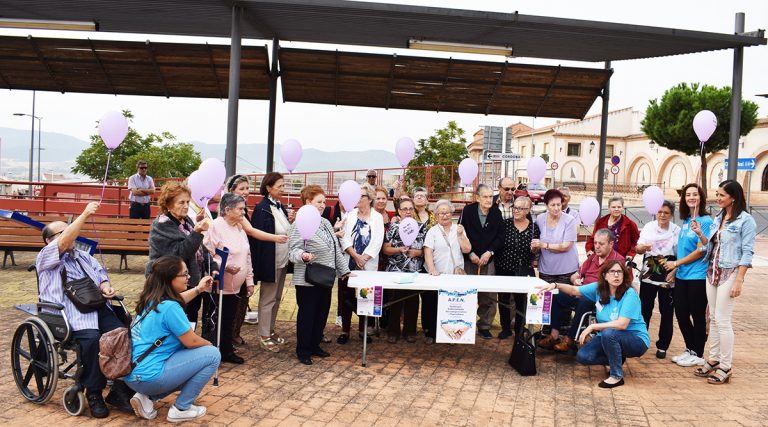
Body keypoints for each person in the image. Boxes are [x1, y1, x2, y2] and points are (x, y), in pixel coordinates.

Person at [36, 202, 133, 418]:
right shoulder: (45, 256)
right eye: (63, 232)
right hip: (68, 314)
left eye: (69, 229)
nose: (71, 234)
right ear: (49, 241)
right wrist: (86, 213)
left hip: (97, 306)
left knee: (122, 335)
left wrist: (105, 287)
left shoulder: (83, 256)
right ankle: (94, 393)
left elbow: (100, 274)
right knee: (92, 340)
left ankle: (119, 389)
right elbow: (64, 241)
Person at [125, 256, 220, 422]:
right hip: (151, 377)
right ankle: (181, 409)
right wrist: (209, 344)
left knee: (190, 363)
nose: (188, 277)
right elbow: (191, 342)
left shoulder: (152, 299)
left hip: (133, 375)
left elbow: (176, 301)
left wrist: (199, 289)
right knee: (212, 355)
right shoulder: (170, 307)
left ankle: (146, 398)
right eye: (184, 274)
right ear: (170, 279)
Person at [538, 261, 649, 388]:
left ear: (624, 275)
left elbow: (622, 324)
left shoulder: (630, 294)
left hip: (635, 339)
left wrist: (592, 326)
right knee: (583, 356)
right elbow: (574, 290)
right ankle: (617, 358)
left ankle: (616, 376)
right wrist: (555, 285)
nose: (616, 275)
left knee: (608, 333)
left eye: (619, 272)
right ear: (605, 275)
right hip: (608, 337)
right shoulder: (599, 289)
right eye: (612, 272)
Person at [695, 180, 756, 384]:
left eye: (722, 195)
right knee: (713, 317)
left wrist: (739, 280)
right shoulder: (719, 217)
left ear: (734, 197)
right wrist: (700, 234)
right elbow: (711, 245)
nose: (718, 198)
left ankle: (726, 365)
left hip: (729, 272)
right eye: (717, 194)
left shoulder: (746, 220)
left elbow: (747, 252)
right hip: (712, 270)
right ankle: (713, 359)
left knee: (723, 319)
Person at [288, 185, 351, 365]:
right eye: (319, 202)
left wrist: (345, 271)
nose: (323, 205)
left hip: (325, 278)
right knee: (307, 315)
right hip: (307, 278)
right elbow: (292, 251)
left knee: (321, 313)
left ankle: (315, 345)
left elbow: (335, 249)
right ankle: (303, 350)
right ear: (308, 202)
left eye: (324, 201)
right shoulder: (298, 224)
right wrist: (303, 256)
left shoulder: (325, 223)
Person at [147, 181, 217, 335]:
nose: (186, 206)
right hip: (169, 284)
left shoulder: (186, 221)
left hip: (190, 279)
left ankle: (188, 344)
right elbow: (178, 256)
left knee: (190, 319)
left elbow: (199, 248)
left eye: (187, 202)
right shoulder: (161, 225)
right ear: (168, 204)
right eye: (181, 202)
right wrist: (197, 232)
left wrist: (212, 265)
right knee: (175, 322)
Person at [548, 229, 628, 353]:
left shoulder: (617, 261)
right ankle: (554, 335)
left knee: (585, 301)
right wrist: (576, 280)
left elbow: (619, 286)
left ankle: (570, 339)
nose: (597, 246)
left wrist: (586, 290)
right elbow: (575, 275)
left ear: (611, 244)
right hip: (580, 292)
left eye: (601, 244)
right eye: (595, 243)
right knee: (556, 295)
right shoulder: (593, 258)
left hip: (600, 299)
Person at [663, 183, 712, 367]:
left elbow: (701, 250)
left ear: (701, 198)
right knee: (681, 314)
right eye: (688, 195)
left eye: (695, 194)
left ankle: (698, 353)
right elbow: (684, 251)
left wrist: (675, 264)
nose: (691, 197)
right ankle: (690, 348)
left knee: (697, 315)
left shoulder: (705, 221)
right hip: (682, 276)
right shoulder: (686, 222)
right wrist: (676, 270)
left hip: (697, 277)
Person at [204, 192, 254, 364]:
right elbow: (208, 254)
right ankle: (212, 353)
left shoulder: (239, 228)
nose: (243, 212)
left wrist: (249, 281)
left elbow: (247, 256)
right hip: (219, 284)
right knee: (215, 320)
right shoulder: (215, 226)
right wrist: (224, 267)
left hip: (236, 286)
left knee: (229, 319)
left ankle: (226, 351)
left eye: (244, 208)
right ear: (227, 210)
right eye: (240, 209)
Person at [248, 172, 294, 353]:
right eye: (279, 186)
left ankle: (271, 329)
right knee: (267, 298)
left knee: (277, 297)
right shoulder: (262, 209)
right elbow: (258, 238)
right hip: (270, 260)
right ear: (268, 187)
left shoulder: (279, 206)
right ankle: (263, 334)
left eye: (283, 185)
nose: (282, 189)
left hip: (282, 260)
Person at [533, 189, 580, 349]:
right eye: (552, 205)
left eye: (559, 204)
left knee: (564, 302)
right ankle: (549, 335)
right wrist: (535, 249)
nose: (556, 208)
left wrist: (544, 245)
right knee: (547, 302)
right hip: (546, 268)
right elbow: (536, 240)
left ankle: (564, 338)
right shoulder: (540, 219)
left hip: (566, 268)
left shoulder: (569, 220)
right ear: (546, 205)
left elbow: (566, 246)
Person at [338, 183, 384, 344]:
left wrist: (364, 258)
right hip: (348, 261)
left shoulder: (377, 217)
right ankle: (345, 330)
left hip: (368, 264)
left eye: (361, 196)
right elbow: (344, 237)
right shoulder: (349, 214)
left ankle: (362, 330)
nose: (357, 199)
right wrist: (355, 256)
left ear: (369, 199)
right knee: (346, 296)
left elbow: (377, 241)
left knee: (365, 297)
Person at [636, 200, 680, 359]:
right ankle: (640, 340)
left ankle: (663, 345)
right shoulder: (649, 227)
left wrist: (675, 270)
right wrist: (642, 248)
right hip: (649, 269)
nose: (662, 215)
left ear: (671, 214)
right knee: (644, 309)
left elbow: (681, 255)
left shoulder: (676, 230)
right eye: (660, 212)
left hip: (667, 270)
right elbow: (638, 248)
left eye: (666, 213)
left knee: (666, 310)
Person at [424, 199, 472, 343]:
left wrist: (461, 235)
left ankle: (452, 335)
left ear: (452, 214)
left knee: (452, 306)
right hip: (437, 275)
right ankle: (431, 333)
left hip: (455, 275)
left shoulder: (459, 229)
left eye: (447, 213)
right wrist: (432, 269)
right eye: (441, 213)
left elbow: (467, 249)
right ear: (436, 215)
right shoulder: (432, 231)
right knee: (433, 304)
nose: (444, 216)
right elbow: (428, 251)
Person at [459, 184, 503, 339]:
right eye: (485, 196)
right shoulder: (468, 211)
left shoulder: (496, 213)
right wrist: (470, 253)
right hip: (469, 259)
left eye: (491, 196)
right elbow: (460, 233)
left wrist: (490, 252)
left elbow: (500, 237)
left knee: (488, 295)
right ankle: (465, 324)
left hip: (488, 260)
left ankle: (484, 326)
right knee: (467, 292)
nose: (489, 199)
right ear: (477, 198)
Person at [494, 195, 539, 339]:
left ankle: (520, 328)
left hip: (523, 269)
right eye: (515, 207)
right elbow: (497, 242)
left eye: (520, 208)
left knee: (522, 301)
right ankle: (505, 328)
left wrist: (535, 250)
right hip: (504, 266)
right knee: (503, 299)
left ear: (528, 210)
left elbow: (536, 251)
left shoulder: (533, 227)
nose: (516, 210)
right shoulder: (505, 224)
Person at [382, 198, 425, 343]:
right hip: (396, 271)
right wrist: (398, 249)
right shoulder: (393, 227)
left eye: (410, 209)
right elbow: (385, 249)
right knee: (395, 301)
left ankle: (410, 331)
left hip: (414, 271)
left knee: (412, 301)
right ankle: (393, 331)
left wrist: (417, 253)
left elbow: (427, 250)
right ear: (399, 211)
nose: (408, 211)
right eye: (404, 209)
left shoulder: (421, 227)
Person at [585, 196, 640, 260]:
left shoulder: (630, 224)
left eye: (619, 207)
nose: (616, 209)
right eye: (613, 207)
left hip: (621, 259)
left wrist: (630, 254)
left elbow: (636, 241)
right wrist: (589, 249)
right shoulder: (601, 222)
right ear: (609, 208)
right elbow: (593, 239)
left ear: (622, 208)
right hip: (602, 259)